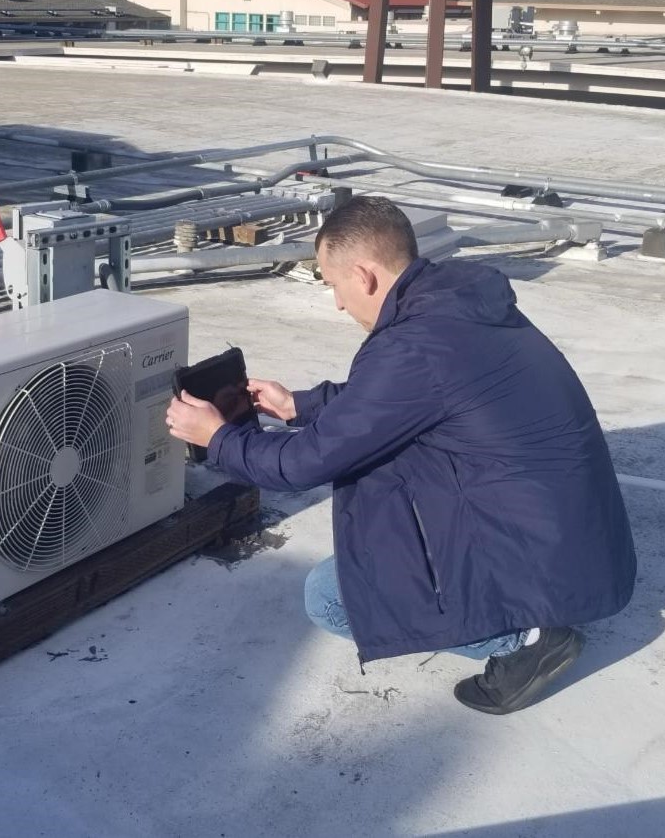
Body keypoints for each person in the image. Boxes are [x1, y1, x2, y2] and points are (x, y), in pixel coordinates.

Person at [167, 196, 636, 715]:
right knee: (378, 513)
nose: (339, 305)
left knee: (329, 595)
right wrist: (298, 404)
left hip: (536, 552)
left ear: (364, 275)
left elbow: (302, 466)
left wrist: (217, 437)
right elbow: (394, 398)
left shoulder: (412, 347)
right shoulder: (453, 305)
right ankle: (514, 614)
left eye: (333, 284)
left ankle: (526, 641)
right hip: (564, 532)